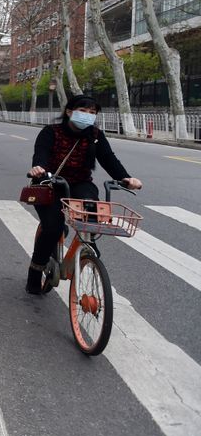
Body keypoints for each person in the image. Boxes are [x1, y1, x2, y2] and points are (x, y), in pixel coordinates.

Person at [26, 95, 143, 295]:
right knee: (53, 229)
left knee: (91, 209)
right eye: (83, 111)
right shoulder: (51, 132)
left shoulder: (95, 135)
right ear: (70, 112)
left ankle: (88, 244)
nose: (88, 116)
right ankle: (35, 273)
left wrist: (126, 178)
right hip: (50, 183)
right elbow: (41, 154)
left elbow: (109, 159)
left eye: (92, 113)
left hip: (80, 183)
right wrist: (39, 168)